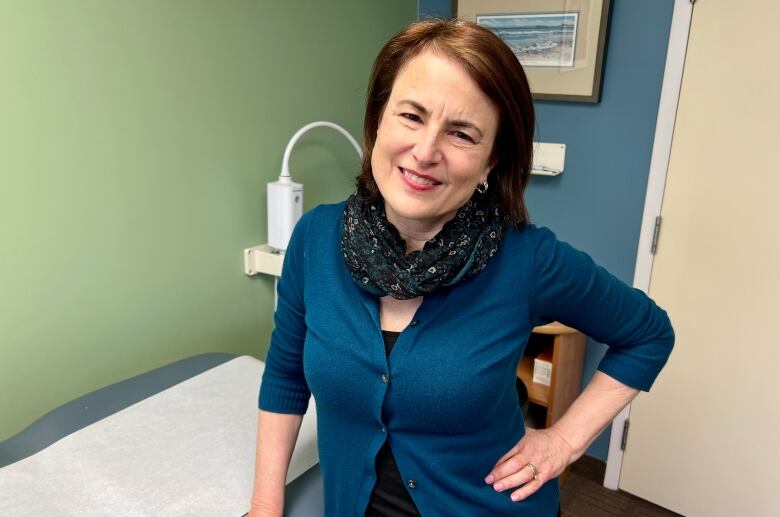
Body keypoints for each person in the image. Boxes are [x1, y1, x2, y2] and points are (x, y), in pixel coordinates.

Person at [249, 19, 674, 517]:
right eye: (411, 115)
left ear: (490, 161)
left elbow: (648, 334)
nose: (426, 152)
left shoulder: (527, 259)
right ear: (378, 120)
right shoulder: (314, 240)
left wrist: (563, 442)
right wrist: (264, 503)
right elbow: (285, 374)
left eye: (461, 133)